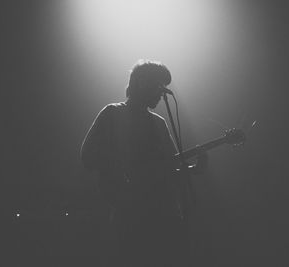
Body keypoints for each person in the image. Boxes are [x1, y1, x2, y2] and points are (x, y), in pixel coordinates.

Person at [81, 59, 207, 266]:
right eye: (158, 85)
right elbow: (87, 156)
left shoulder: (159, 123)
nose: (162, 92)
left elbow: (170, 168)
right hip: (128, 215)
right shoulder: (112, 113)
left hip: (162, 216)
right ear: (141, 82)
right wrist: (120, 168)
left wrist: (194, 169)